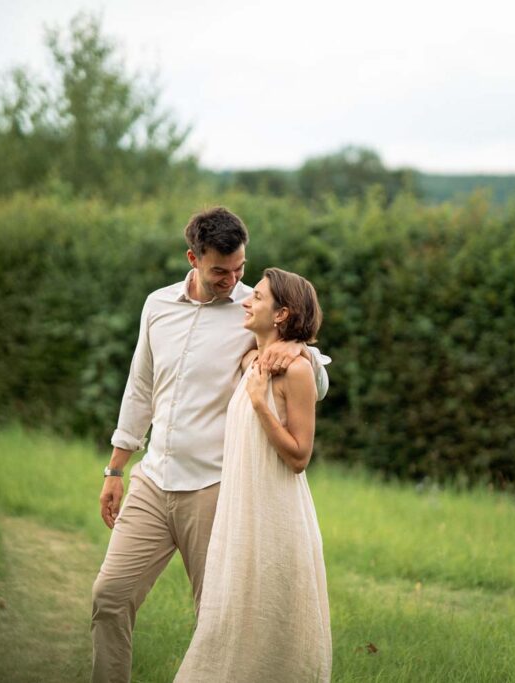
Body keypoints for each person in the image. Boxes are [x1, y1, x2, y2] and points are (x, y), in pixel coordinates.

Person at [90, 208, 330, 683]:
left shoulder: (251, 312)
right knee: (109, 597)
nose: (232, 280)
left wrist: (302, 350)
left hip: (213, 490)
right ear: (193, 259)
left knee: (218, 619)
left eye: (240, 269)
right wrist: (116, 470)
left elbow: (313, 377)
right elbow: (140, 389)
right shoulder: (157, 306)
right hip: (153, 481)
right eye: (221, 270)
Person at [174, 268, 332, 682]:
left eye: (257, 298)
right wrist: (262, 364)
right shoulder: (254, 361)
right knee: (231, 617)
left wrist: (261, 404)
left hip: (275, 513)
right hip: (240, 511)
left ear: (282, 314)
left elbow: (300, 457)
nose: (246, 301)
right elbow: (256, 358)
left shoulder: (294, 372)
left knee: (270, 627)